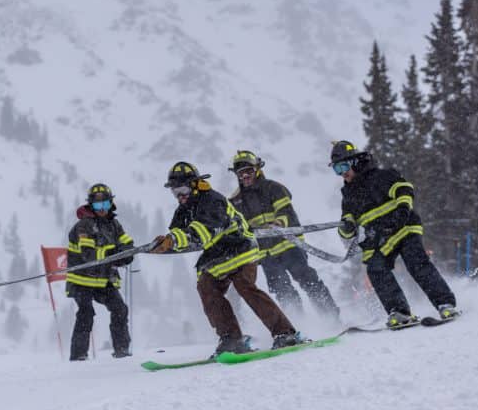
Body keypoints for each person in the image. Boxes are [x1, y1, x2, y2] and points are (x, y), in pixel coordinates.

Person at [149, 162, 303, 355]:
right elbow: (180, 235)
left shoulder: (212, 200)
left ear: (195, 184)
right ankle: (231, 338)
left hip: (240, 247)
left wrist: (174, 239)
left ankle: (285, 333)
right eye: (175, 191)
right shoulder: (183, 210)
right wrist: (165, 245)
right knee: (206, 287)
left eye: (182, 189)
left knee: (245, 286)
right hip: (216, 255)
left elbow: (204, 230)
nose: (180, 196)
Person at [329, 141, 459, 327]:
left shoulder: (382, 176)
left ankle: (445, 303)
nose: (341, 172)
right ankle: (399, 312)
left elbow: (404, 189)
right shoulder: (348, 194)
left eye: (343, 166)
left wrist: (402, 211)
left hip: (403, 227)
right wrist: (347, 227)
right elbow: (346, 223)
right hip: (379, 237)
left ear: (355, 162)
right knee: (375, 269)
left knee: (416, 263)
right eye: (336, 169)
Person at [227, 150, 339, 320]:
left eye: (248, 171)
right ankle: (298, 323)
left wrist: (278, 223)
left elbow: (285, 211)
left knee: (308, 279)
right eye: (241, 174)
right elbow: (239, 226)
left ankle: (331, 317)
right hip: (265, 254)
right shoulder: (235, 201)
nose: (245, 176)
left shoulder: (273, 188)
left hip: (289, 245)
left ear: (257, 169)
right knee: (281, 288)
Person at [65, 183, 134, 360]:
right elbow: (89, 255)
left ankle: (122, 350)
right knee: (86, 313)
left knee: (120, 309)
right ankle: (78, 356)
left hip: (103, 280)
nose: (102, 209)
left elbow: (126, 243)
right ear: (91, 205)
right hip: (82, 280)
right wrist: (113, 254)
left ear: (111, 204)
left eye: (105, 205)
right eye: (97, 205)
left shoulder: (114, 224)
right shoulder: (84, 226)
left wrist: (127, 253)